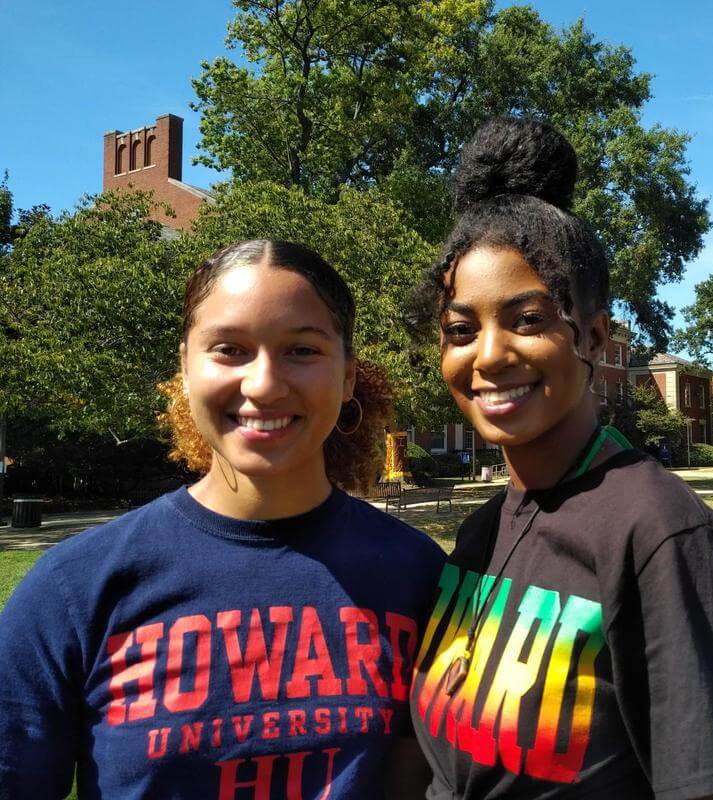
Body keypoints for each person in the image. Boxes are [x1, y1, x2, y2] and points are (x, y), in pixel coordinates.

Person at [0, 239, 444, 799]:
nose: (263, 384)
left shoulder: (418, 574)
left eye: (302, 351)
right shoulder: (76, 586)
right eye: (229, 349)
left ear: (348, 375)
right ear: (185, 369)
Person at [408, 119, 713, 799]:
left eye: (529, 319)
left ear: (594, 336)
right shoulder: (482, 535)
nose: (488, 355)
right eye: (460, 329)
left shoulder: (661, 535)